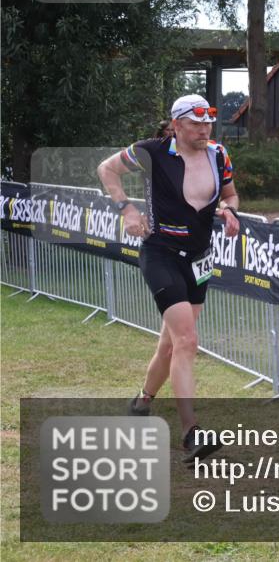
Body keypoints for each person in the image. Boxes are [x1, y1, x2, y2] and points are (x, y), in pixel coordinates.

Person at [97, 94, 240, 464]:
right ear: (176, 124)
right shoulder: (151, 151)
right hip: (160, 254)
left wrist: (228, 211)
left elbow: (231, 194)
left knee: (170, 346)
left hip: (199, 259)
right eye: (195, 124)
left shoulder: (219, 154)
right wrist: (126, 209)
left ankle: (142, 401)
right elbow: (106, 170)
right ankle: (191, 434)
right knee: (187, 341)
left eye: (208, 122)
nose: (204, 129)